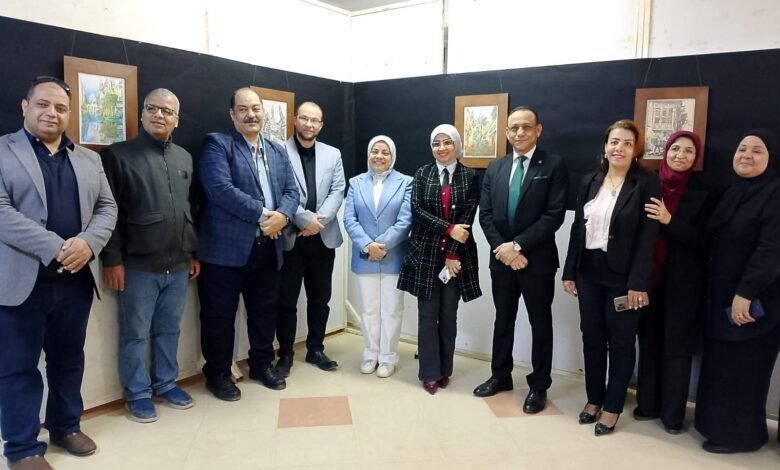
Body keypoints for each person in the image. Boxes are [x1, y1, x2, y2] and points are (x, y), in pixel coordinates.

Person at [0, 76, 117, 470]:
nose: (52, 113)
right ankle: (22, 448)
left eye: (61, 108)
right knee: (18, 367)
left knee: (68, 361)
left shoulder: (89, 159)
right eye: (43, 105)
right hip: (20, 284)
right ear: (25, 106)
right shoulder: (3, 150)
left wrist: (88, 244)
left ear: (70, 114)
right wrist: (57, 247)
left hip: (75, 281)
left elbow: (107, 208)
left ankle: (66, 426)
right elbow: (1, 212)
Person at [100, 88, 200, 423]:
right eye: (152, 109)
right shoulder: (118, 155)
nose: (159, 115)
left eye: (167, 111)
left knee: (169, 329)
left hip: (179, 263)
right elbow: (108, 211)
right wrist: (112, 260)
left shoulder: (184, 157)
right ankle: (138, 393)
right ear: (142, 113)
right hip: (137, 265)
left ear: (176, 120)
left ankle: (166, 383)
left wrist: (192, 252)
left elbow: (190, 209)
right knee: (135, 333)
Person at [197, 87, 298, 401]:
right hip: (224, 251)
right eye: (243, 109)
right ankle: (218, 374)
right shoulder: (218, 144)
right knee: (219, 317)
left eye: (255, 108)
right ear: (232, 114)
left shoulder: (277, 150)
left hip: (267, 247)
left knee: (264, 312)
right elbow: (220, 190)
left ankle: (261, 365)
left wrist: (284, 215)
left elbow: (292, 192)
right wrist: (267, 215)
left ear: (263, 112)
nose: (250, 115)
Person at [562, 119, 660, 436]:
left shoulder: (646, 182)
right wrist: (570, 271)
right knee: (592, 337)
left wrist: (638, 283)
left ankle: (614, 406)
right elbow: (578, 229)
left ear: (636, 150)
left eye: (627, 143)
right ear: (605, 146)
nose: (619, 148)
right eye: (614, 142)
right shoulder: (590, 180)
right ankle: (594, 398)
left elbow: (648, 237)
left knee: (620, 342)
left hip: (624, 277)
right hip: (589, 272)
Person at [474, 106, 568, 414]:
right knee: (503, 319)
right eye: (514, 128)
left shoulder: (553, 165)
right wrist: (504, 249)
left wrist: (517, 246)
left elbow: (553, 215)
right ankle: (500, 375)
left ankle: (539, 385)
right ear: (506, 132)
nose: (520, 133)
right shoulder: (496, 167)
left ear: (538, 130)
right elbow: (486, 215)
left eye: (526, 127)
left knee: (540, 323)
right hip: (501, 259)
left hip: (536, 260)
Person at [695, 129, 780, 454]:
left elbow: (771, 250)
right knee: (721, 367)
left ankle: (741, 437)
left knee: (744, 371)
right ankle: (715, 428)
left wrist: (746, 292)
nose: (746, 155)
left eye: (757, 151)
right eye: (742, 148)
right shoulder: (731, 189)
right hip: (721, 299)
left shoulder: (774, 193)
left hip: (753, 302)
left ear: (771, 158)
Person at [634, 131, 711, 434]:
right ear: (665, 152)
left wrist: (670, 220)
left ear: (696, 157)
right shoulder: (648, 185)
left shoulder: (704, 193)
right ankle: (647, 405)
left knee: (677, 350)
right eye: (675, 149)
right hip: (647, 280)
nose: (680, 155)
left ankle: (672, 416)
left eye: (688, 151)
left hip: (684, 285)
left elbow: (705, 242)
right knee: (648, 343)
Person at [398, 124, 482, 395]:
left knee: (448, 315)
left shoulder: (470, 176)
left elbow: (467, 219)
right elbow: (417, 211)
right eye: (437, 143)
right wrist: (448, 229)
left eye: (447, 142)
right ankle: (429, 373)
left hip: (456, 258)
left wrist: (452, 253)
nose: (442, 148)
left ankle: (445, 369)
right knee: (427, 315)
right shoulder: (422, 173)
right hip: (425, 255)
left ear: (456, 145)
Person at [275, 102, 346, 376]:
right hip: (291, 237)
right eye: (304, 118)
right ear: (295, 120)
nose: (309, 124)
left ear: (321, 125)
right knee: (286, 300)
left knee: (320, 298)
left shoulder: (333, 154)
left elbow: (338, 190)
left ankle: (316, 348)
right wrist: (305, 220)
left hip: (322, 238)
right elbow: (279, 190)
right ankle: (285, 353)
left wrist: (318, 223)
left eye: (315, 120)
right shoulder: (279, 150)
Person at [343, 135, 412, 378]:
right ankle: (370, 354)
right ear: (369, 154)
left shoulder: (406, 183)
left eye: (385, 152)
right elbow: (349, 219)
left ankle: (388, 357)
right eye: (375, 151)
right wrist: (367, 245)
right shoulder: (355, 182)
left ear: (392, 156)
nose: (379, 156)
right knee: (369, 309)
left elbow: (405, 221)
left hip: (393, 256)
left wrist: (380, 245)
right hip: (365, 257)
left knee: (392, 309)